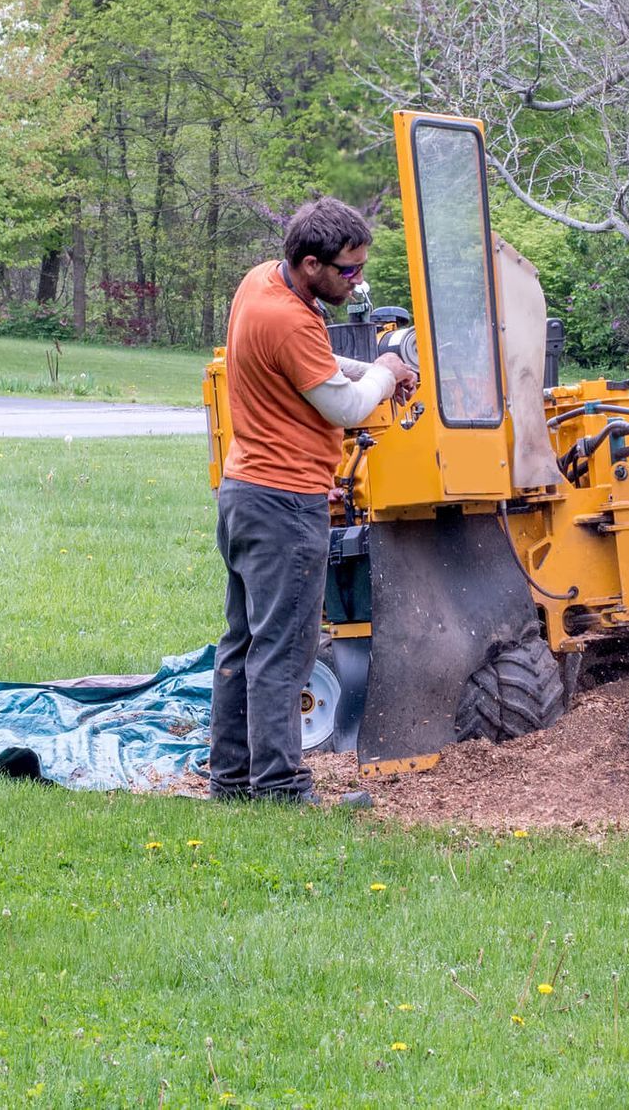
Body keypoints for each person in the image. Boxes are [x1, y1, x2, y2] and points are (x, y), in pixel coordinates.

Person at [210, 196, 416, 805]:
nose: (356, 284)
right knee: (285, 651)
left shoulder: (260, 285)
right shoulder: (291, 320)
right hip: (283, 506)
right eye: (346, 272)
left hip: (244, 492)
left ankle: (232, 780)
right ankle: (279, 788)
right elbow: (346, 407)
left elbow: (315, 368)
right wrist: (382, 372)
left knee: (242, 643)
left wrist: (374, 369)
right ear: (308, 263)